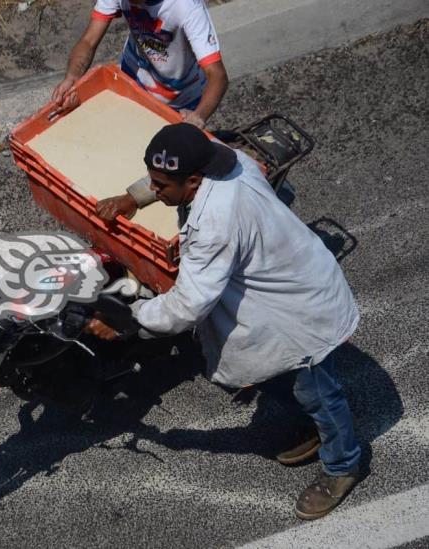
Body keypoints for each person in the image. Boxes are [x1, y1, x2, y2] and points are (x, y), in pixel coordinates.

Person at [86, 123, 363, 520]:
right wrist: (134, 198)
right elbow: (201, 146)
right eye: (152, 180)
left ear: (194, 181)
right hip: (282, 283)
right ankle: (317, 425)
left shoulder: (214, 222)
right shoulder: (223, 160)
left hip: (300, 311)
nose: (155, 188)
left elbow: (187, 305)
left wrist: (129, 320)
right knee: (280, 378)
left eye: (161, 186)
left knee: (317, 390)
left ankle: (343, 465)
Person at [52, 0, 228, 129]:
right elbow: (89, 41)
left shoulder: (186, 7)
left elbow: (218, 75)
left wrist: (198, 116)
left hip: (181, 98)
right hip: (134, 78)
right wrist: (72, 77)